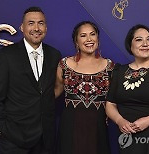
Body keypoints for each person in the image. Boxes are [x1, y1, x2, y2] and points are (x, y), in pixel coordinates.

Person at [0, 6, 61, 154]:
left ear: (46, 27)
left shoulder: (54, 55)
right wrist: (1, 131)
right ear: (22, 27)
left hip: (45, 140)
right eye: (31, 23)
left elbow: (50, 90)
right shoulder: (6, 56)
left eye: (41, 23)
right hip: (14, 141)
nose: (36, 28)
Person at [55, 21, 114, 154]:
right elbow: (55, 92)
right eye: (83, 36)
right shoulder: (64, 65)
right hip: (70, 127)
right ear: (76, 41)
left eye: (92, 34)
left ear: (98, 38)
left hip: (98, 128)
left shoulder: (110, 67)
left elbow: (115, 100)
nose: (89, 39)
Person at [106, 24, 149, 154]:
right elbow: (110, 104)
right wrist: (120, 121)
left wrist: (148, 121)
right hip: (129, 138)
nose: (145, 43)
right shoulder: (120, 71)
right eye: (139, 39)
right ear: (130, 45)